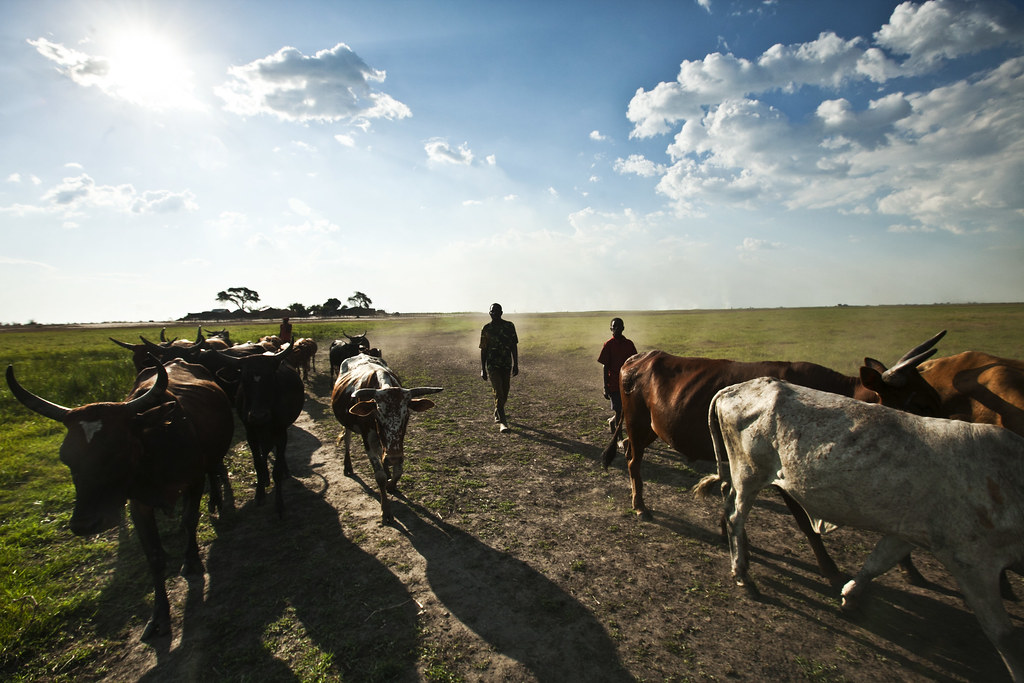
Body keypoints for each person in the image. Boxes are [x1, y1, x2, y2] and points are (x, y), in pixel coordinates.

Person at [479, 303, 518, 431]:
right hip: (492, 366)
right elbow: (483, 350)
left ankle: (497, 410)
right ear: (489, 314)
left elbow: (514, 346)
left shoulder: (509, 326)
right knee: (498, 392)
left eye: (497, 312)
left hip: (506, 365)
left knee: (505, 392)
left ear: (501, 313)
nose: (494, 314)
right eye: (492, 312)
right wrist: (483, 369)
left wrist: (516, 364)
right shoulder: (486, 329)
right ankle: (503, 422)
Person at [598, 317, 637, 431]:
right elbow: (605, 366)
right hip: (614, 383)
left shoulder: (629, 344)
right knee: (619, 410)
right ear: (611, 328)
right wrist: (605, 387)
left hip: (627, 382)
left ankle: (613, 421)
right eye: (614, 327)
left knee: (626, 409)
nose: (616, 329)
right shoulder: (608, 345)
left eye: (619, 326)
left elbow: (635, 363)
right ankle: (618, 436)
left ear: (623, 328)